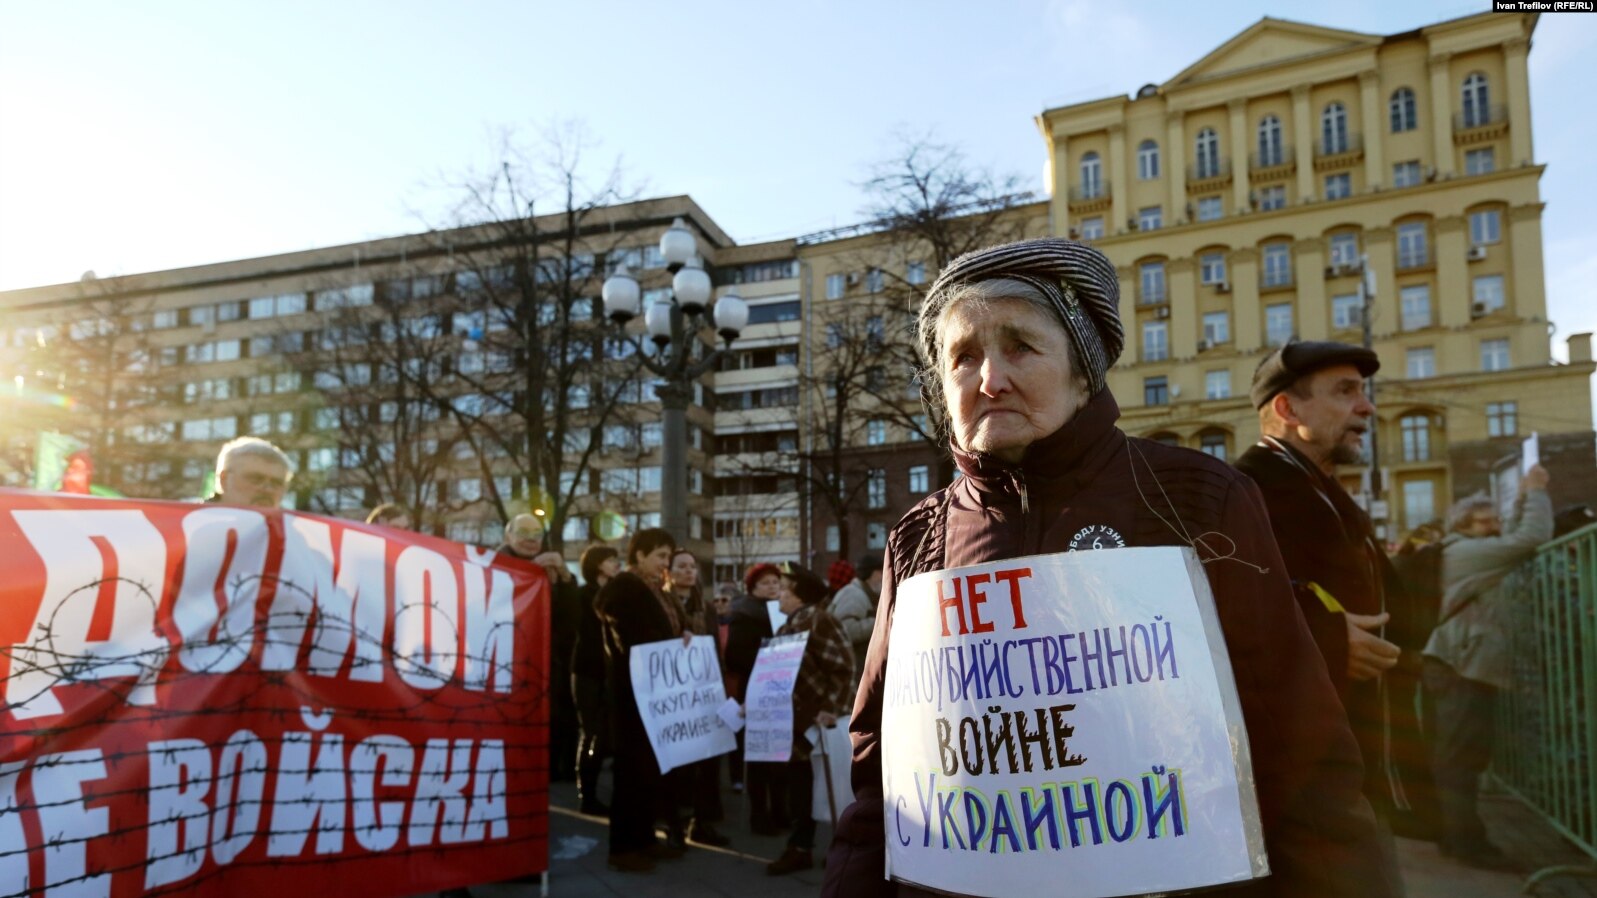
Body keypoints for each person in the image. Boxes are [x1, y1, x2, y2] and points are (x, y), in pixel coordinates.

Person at [824, 238, 1399, 897]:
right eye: (962, 356)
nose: (989, 379)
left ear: (1082, 371)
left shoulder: (1195, 499)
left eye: (1020, 346)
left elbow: (1297, 742)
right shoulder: (918, 538)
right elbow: (880, 774)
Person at [1234, 341, 1413, 828]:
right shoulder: (1244, 489)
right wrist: (1328, 639)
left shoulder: (1320, 485)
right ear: (1288, 409)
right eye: (1345, 391)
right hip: (1299, 784)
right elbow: (1221, 605)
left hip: (1348, 764)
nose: (1367, 407)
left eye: (1363, 391)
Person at [1424, 471, 1552, 868]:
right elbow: (1530, 538)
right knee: (1460, 758)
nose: (1495, 526)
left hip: (1456, 662)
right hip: (1461, 664)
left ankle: (1454, 836)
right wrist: (1534, 493)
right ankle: (1467, 843)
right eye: (1487, 521)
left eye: (1496, 519)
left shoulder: (1464, 549)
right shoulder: (1465, 551)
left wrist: (1517, 508)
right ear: (1464, 526)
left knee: (1457, 755)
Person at [596, 528, 688, 873]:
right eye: (660, 556)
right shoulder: (624, 587)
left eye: (668, 556)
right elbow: (628, 635)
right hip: (632, 693)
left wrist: (682, 637)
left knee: (649, 768)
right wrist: (663, 642)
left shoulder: (653, 589)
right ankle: (622, 846)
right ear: (639, 556)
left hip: (654, 693)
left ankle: (645, 838)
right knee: (631, 770)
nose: (666, 564)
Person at [766, 563, 855, 876]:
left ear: (798, 595)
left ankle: (839, 848)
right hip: (795, 721)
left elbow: (843, 667)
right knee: (802, 786)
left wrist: (832, 707)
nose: (780, 593)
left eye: (785, 588)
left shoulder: (819, 620)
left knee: (828, 787)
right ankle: (801, 846)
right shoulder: (788, 626)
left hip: (815, 722)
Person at [500, 514, 579, 783]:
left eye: (537, 535)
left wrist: (566, 578)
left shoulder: (550, 569)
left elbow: (570, 619)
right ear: (507, 537)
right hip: (508, 663)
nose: (531, 540)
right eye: (523, 532)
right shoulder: (495, 566)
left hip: (547, 663)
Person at [663, 549, 731, 847]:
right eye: (682, 566)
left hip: (703, 695)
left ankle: (701, 823)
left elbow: (715, 651)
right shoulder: (661, 603)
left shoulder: (706, 607)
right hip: (672, 698)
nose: (689, 571)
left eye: (693, 566)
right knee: (678, 765)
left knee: (707, 762)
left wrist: (719, 689)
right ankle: (673, 824)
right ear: (669, 571)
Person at [726, 562, 788, 832]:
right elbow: (734, 657)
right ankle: (759, 815)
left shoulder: (786, 612)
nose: (772, 587)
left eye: (776, 582)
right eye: (766, 583)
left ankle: (780, 811)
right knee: (760, 759)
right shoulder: (744, 614)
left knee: (781, 757)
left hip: (781, 691)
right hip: (756, 690)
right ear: (752, 588)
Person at [572, 545, 619, 816]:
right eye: (611, 560)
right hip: (588, 671)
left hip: (608, 672)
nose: (616, 564)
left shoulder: (613, 593)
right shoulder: (583, 594)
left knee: (603, 735)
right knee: (591, 733)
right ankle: (586, 795)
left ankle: (592, 793)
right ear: (597, 564)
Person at [827, 552, 883, 691]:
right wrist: (880, 623)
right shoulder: (854, 595)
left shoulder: (859, 593)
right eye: (881, 572)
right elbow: (847, 629)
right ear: (873, 573)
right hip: (851, 669)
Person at [210, 436, 292, 508]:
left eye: (276, 483)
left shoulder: (296, 524)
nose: (268, 489)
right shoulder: (198, 520)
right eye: (256, 479)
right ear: (224, 480)